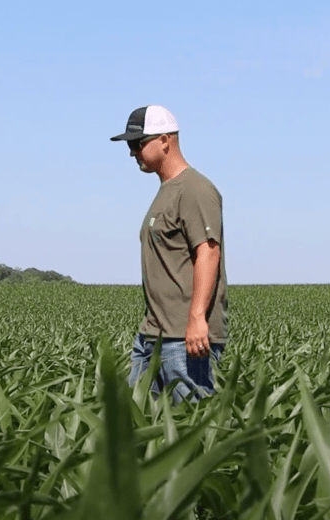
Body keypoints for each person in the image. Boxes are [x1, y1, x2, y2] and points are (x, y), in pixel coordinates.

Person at [110, 105, 229, 404]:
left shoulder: (195, 189)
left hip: (185, 338)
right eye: (129, 146)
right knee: (135, 419)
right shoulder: (167, 190)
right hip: (151, 336)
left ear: (165, 140)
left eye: (138, 144)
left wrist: (197, 319)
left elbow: (208, 252)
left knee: (193, 422)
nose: (132, 153)